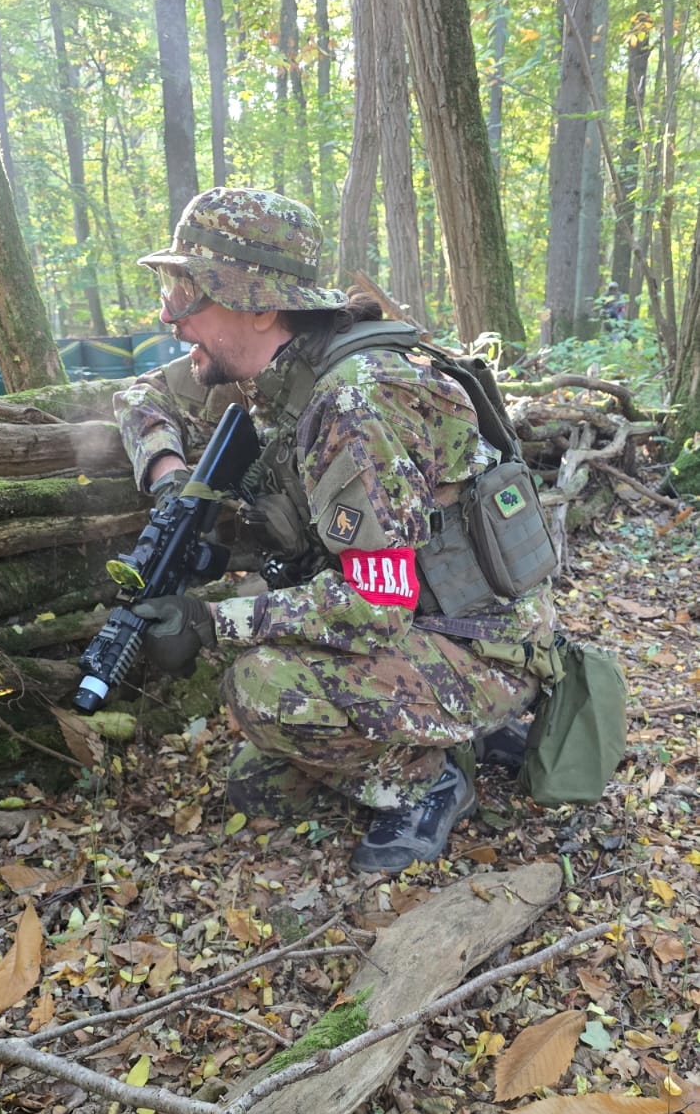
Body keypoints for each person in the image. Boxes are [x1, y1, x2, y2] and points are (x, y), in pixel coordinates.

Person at [114, 187, 559, 874]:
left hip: (482, 644)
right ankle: (447, 736)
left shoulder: (354, 403)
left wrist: (211, 622)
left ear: (259, 306)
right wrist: (170, 474)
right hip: (427, 625)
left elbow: (377, 604)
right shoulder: (272, 367)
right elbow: (141, 394)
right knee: (257, 785)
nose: (171, 318)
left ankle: (431, 784)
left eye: (187, 295)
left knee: (263, 688)